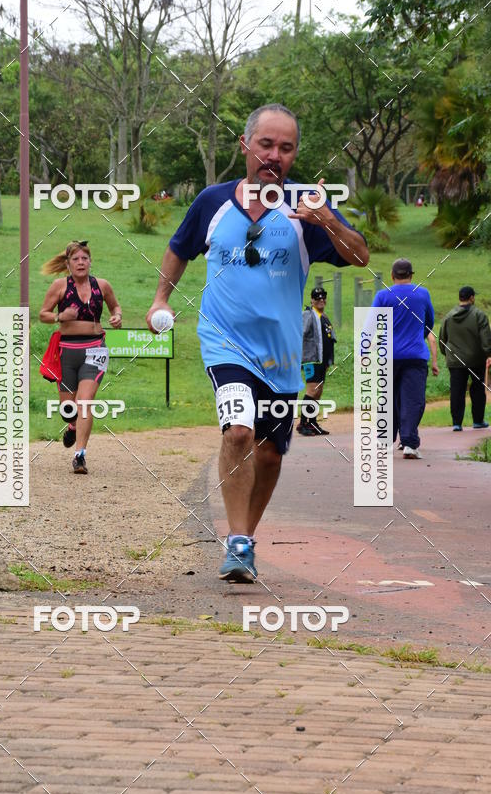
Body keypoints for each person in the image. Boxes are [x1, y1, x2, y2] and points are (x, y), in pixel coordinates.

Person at [145, 103, 369, 583]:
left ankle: (246, 539)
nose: (275, 155)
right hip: (224, 341)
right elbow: (180, 248)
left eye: (286, 148)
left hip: (282, 352)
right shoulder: (213, 201)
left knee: (269, 452)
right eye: (266, 144)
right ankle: (237, 540)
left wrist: (326, 220)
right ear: (245, 146)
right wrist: (160, 297)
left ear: (294, 155)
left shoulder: (306, 206)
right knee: (239, 432)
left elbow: (361, 255)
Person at [39, 240, 122, 474]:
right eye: (75, 259)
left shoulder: (102, 285)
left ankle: (80, 455)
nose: (80, 262)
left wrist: (117, 317)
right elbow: (43, 314)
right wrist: (59, 317)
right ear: (68, 264)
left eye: (84, 258)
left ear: (90, 261)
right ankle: (73, 426)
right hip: (67, 351)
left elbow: (116, 308)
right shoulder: (59, 286)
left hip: (95, 349)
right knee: (69, 408)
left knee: (85, 402)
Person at [372, 258, 438, 460]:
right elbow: (429, 322)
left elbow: (370, 326)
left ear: (392, 276)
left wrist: (363, 352)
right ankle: (409, 443)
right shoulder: (422, 293)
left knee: (386, 398)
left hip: (388, 356)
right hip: (415, 356)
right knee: (413, 399)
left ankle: (384, 441)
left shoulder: (383, 295)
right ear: (411, 276)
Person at [439, 286, 491, 430]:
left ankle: (456, 423)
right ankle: (478, 421)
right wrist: (488, 354)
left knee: (457, 390)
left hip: (455, 360)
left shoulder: (449, 316)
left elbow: (443, 339)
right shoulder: (479, 315)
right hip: (476, 359)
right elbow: (486, 339)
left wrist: (447, 354)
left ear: (460, 298)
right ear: (472, 298)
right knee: (478, 389)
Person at [297, 286, 337, 436]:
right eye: (317, 298)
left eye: (323, 297)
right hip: (311, 359)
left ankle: (312, 423)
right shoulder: (308, 315)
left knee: (318, 391)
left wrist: (329, 361)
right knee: (312, 390)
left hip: (322, 360)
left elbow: (330, 339)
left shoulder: (324, 317)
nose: (321, 300)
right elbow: (299, 334)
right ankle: (303, 424)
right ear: (312, 300)